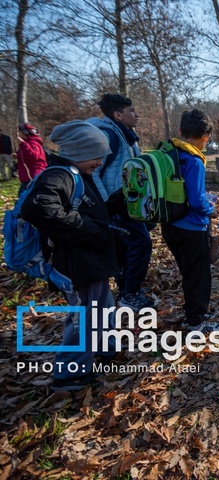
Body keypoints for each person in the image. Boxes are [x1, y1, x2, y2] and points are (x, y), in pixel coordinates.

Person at [20, 120, 119, 391]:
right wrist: (89, 229)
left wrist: (115, 204)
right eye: (96, 156)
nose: (100, 162)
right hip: (76, 264)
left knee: (103, 307)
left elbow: (85, 209)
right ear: (78, 152)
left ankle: (105, 350)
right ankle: (70, 373)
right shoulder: (60, 174)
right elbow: (38, 207)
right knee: (83, 316)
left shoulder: (76, 174)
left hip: (89, 261)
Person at [87, 94, 154, 312]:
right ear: (118, 114)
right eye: (131, 110)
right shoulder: (109, 136)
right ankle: (131, 293)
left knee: (125, 246)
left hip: (129, 200)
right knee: (142, 242)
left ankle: (126, 289)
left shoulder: (125, 135)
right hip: (117, 202)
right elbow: (94, 170)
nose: (136, 114)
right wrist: (105, 203)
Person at [161, 109, 219, 333]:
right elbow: (197, 201)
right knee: (198, 276)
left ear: (180, 131)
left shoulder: (168, 154)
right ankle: (196, 322)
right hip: (191, 228)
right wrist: (211, 209)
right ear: (205, 137)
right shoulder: (194, 160)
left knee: (188, 273)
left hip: (170, 224)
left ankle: (192, 312)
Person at [16, 123, 48, 195]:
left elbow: (34, 155)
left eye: (20, 132)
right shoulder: (28, 142)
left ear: (24, 133)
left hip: (33, 176)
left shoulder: (33, 142)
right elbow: (27, 155)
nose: (18, 134)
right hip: (27, 175)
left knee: (24, 197)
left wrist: (22, 143)